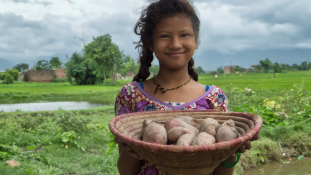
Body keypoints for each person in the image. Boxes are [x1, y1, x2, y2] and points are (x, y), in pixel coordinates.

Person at [114, 0, 259, 175]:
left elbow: (223, 173)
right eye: (164, 36)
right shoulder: (131, 95)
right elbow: (126, 172)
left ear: (196, 40)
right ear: (150, 43)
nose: (175, 44)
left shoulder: (215, 98)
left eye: (184, 35)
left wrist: (231, 151)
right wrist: (135, 145)